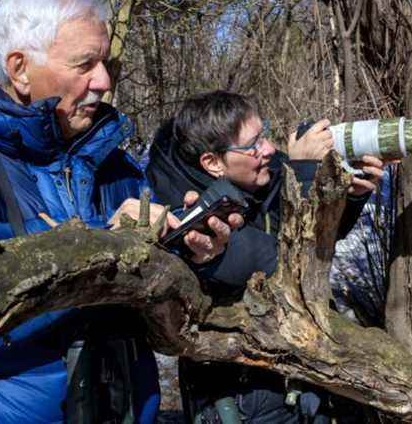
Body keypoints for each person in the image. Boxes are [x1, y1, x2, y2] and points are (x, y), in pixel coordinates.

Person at [0, 0, 240, 424]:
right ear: (20, 69)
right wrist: (104, 246)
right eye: (85, 64)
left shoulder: (114, 163)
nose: (103, 81)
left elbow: (158, 323)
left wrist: (188, 255)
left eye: (105, 63)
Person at [146, 90, 386, 423]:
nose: (269, 149)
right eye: (253, 145)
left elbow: (315, 240)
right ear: (212, 163)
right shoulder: (191, 214)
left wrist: (348, 196)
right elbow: (276, 260)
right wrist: (303, 172)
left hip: (296, 382)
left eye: (265, 135)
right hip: (240, 399)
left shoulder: (259, 175)